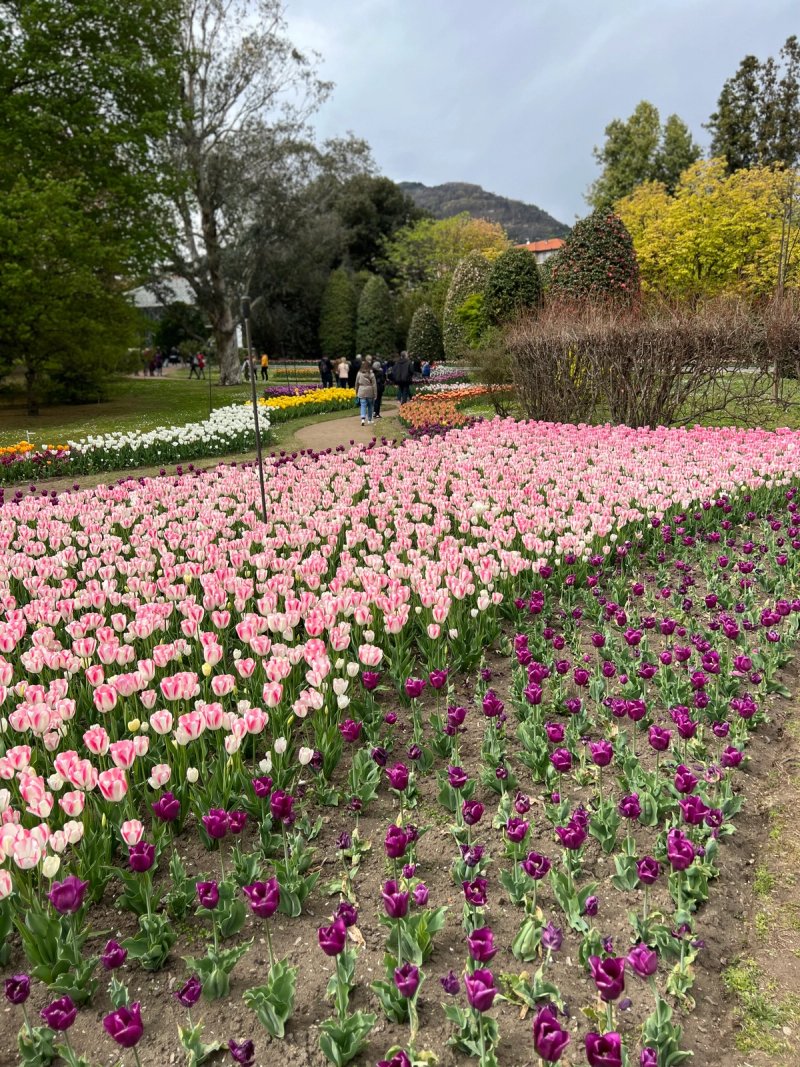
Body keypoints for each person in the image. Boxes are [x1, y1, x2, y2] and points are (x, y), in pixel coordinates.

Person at [355, 357, 377, 426]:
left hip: (361, 390)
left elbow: (356, 383)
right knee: (370, 406)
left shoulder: (359, 373)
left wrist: (356, 391)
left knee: (363, 405)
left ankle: (363, 419)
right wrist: (375, 394)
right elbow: (374, 385)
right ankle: (369, 420)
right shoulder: (372, 374)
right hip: (370, 391)